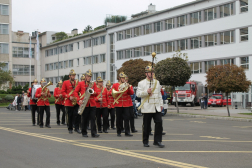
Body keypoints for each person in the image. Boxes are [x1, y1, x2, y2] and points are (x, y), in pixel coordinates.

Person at [136, 64, 164, 148]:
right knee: (146, 126)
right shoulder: (141, 83)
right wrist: (146, 92)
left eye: (152, 72)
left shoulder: (157, 82)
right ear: (146, 74)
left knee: (159, 123)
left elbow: (159, 94)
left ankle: (157, 141)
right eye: (150, 72)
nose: (152, 74)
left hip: (156, 107)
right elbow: (138, 94)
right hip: (147, 107)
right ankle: (145, 141)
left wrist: (161, 104)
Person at [74, 69, 99, 138]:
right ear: (85, 76)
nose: (89, 78)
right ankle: (84, 132)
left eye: (90, 76)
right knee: (84, 119)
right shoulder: (81, 83)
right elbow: (75, 92)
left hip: (92, 104)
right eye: (88, 76)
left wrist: (93, 92)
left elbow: (97, 92)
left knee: (93, 119)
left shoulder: (93, 84)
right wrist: (79, 100)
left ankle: (94, 133)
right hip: (85, 103)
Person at [109, 72, 134, 137]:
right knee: (118, 119)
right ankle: (119, 131)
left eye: (124, 78)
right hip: (118, 104)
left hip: (126, 104)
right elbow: (110, 93)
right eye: (122, 78)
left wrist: (128, 87)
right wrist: (116, 93)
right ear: (119, 78)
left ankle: (127, 132)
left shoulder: (127, 85)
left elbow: (131, 93)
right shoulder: (115, 85)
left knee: (127, 118)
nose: (124, 79)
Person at [62, 69, 80, 134]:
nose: (73, 77)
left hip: (76, 101)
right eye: (72, 75)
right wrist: (69, 96)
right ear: (69, 76)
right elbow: (63, 92)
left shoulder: (76, 82)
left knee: (77, 114)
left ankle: (77, 128)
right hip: (69, 102)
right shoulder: (65, 82)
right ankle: (70, 128)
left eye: (74, 75)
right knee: (70, 115)